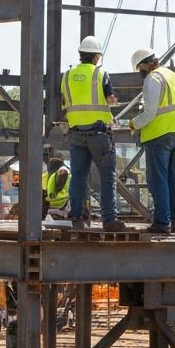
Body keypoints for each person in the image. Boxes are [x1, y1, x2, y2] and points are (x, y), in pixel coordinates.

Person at [60, 36, 127, 232]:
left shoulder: (67, 75)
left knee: (79, 176)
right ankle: (109, 220)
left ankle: (77, 218)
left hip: (76, 134)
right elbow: (110, 99)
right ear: (97, 56)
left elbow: (65, 100)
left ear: (81, 54)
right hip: (98, 134)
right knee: (107, 177)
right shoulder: (100, 73)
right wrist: (113, 102)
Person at [128, 47, 175, 235]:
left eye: (139, 69)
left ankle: (162, 222)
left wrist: (133, 124)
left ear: (144, 66)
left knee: (158, 179)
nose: (139, 73)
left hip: (158, 134)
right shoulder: (174, 76)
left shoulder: (152, 79)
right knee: (173, 178)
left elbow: (149, 113)